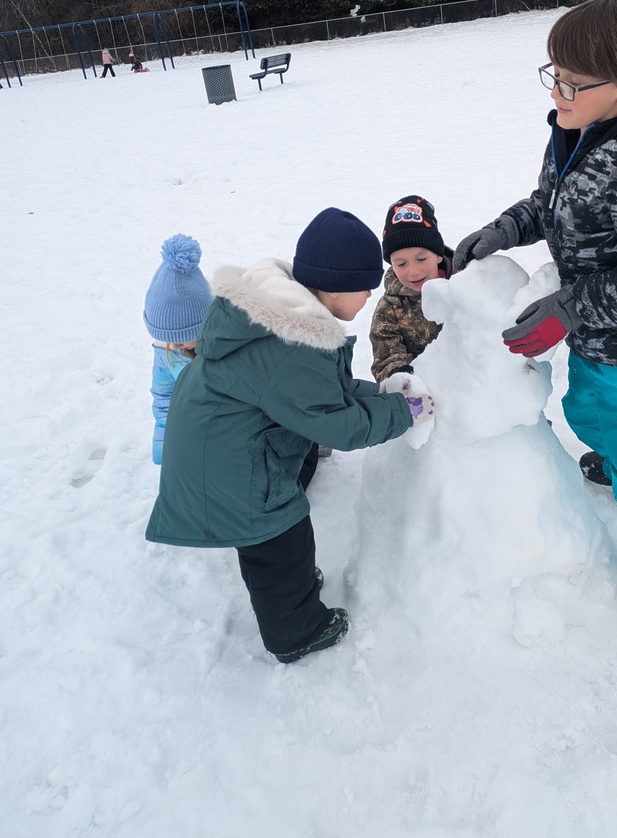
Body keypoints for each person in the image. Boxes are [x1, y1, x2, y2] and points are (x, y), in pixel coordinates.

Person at [453, 0, 617, 628]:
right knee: (589, 410)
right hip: (600, 340)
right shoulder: (581, 128)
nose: (558, 93)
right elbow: (555, 203)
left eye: (573, 82)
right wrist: (505, 229)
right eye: (554, 75)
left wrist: (571, 305)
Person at [146, 208, 434, 663]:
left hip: (224, 447)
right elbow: (338, 424)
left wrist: (380, 393)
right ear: (336, 287)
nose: (369, 297)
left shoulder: (282, 317)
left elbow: (322, 393)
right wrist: (403, 412)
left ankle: (290, 592)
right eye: (365, 287)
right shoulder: (292, 347)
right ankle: (296, 631)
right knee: (279, 546)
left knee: (276, 548)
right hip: (231, 473)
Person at [143, 234, 214, 465]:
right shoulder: (166, 351)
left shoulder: (224, 347)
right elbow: (164, 397)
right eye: (166, 337)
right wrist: (163, 447)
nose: (174, 345)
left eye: (182, 338)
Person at [370, 194, 454, 383]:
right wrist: (402, 378)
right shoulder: (390, 308)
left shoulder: (465, 283)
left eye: (421, 259)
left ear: (438, 254)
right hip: (430, 394)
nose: (413, 272)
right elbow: (386, 360)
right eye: (401, 263)